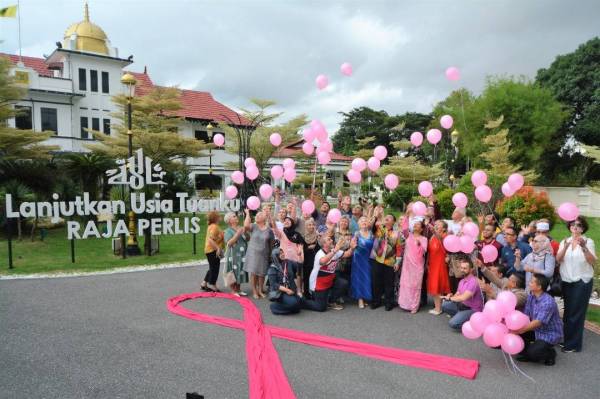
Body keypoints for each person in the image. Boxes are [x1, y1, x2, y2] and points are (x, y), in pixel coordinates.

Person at [556, 216, 597, 353]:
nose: (575, 227)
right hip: (567, 281)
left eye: (579, 225)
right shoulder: (565, 241)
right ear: (569, 227)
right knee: (568, 313)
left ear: (583, 228)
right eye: (573, 224)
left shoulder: (588, 241)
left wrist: (584, 247)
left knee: (577, 314)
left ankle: (574, 345)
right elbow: (559, 259)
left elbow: (592, 261)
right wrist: (566, 247)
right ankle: (568, 341)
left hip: (582, 281)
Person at [512, 274, 563, 366]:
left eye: (532, 282)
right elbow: (526, 316)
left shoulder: (548, 302)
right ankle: (529, 352)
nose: (529, 283)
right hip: (536, 330)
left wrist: (519, 330)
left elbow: (538, 322)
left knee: (533, 353)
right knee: (520, 344)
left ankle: (550, 354)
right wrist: (514, 326)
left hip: (549, 333)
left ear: (539, 287)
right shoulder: (531, 297)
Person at [304, 234, 356, 311]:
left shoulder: (334, 251)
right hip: (317, 284)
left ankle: (331, 301)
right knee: (320, 307)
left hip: (329, 280)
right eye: (329, 240)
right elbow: (323, 261)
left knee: (343, 283)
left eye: (331, 239)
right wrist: (335, 251)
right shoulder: (320, 253)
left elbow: (347, 254)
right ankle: (301, 302)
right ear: (324, 244)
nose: (332, 240)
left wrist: (352, 248)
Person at [370, 209, 404, 311]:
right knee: (376, 282)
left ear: (393, 222)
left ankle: (389, 302)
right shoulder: (379, 228)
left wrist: (397, 263)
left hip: (390, 261)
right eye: (386, 218)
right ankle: (376, 301)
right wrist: (376, 216)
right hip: (377, 259)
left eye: (389, 218)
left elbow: (399, 249)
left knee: (389, 283)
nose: (386, 219)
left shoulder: (397, 234)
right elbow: (371, 227)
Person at [441, 257, 484, 330]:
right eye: (461, 268)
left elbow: (463, 297)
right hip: (463, 306)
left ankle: (472, 322)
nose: (462, 270)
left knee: (453, 323)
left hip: (473, 310)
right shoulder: (462, 281)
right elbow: (457, 295)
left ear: (471, 269)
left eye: (465, 268)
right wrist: (450, 297)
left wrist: (450, 298)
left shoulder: (473, 281)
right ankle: (462, 316)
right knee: (445, 305)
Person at [243, 208, 274, 299]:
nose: (257, 216)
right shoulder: (253, 226)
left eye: (259, 215)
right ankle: (254, 291)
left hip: (264, 253)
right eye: (256, 216)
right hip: (252, 253)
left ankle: (260, 289)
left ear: (264, 218)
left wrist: (270, 254)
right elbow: (245, 226)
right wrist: (248, 213)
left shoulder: (269, 230)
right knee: (253, 273)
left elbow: (271, 243)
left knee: (262, 273)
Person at [398, 220, 428, 313]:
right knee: (405, 284)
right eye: (415, 224)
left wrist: (420, 244)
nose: (415, 225)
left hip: (417, 265)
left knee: (415, 286)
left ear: (422, 229)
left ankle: (414, 306)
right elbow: (404, 229)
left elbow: (425, 250)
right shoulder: (408, 235)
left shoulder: (424, 238)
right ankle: (404, 304)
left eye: (418, 225)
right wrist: (407, 216)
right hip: (407, 265)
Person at [272, 216, 305, 295]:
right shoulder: (281, 232)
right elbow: (274, 227)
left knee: (298, 275)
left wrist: (300, 252)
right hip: (286, 259)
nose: (286, 221)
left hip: (296, 258)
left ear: (292, 223)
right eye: (285, 220)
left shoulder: (297, 234)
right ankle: (288, 289)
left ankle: (299, 290)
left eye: (289, 220)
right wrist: (271, 217)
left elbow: (301, 245)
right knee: (288, 274)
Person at [267, 248, 302, 315]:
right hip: (280, 292)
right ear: (275, 256)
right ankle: (274, 307)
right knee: (294, 304)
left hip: (291, 289)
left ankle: (290, 307)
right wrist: (287, 290)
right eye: (280, 254)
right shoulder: (272, 268)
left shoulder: (288, 262)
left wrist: (299, 255)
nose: (282, 254)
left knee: (298, 305)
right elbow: (274, 284)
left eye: (282, 252)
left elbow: (299, 266)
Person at [427, 220, 451, 315]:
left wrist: (434, 231)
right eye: (436, 224)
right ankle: (438, 307)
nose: (436, 225)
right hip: (433, 264)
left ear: (444, 229)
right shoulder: (433, 236)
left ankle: (438, 309)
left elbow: (442, 241)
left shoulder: (445, 236)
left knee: (438, 286)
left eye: (439, 225)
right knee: (435, 286)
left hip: (440, 265)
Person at [223, 212, 249, 296]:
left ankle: (238, 289)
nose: (236, 217)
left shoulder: (241, 228)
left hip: (242, 255)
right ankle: (233, 290)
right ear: (229, 221)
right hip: (232, 255)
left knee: (240, 270)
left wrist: (245, 232)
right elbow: (229, 243)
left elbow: (248, 238)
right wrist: (238, 233)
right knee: (232, 271)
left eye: (235, 216)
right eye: (234, 216)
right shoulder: (228, 231)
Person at [351, 216, 375, 309]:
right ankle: (360, 299)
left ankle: (365, 297)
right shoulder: (356, 234)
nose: (364, 222)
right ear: (359, 224)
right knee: (359, 278)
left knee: (367, 278)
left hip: (369, 259)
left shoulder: (371, 234)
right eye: (362, 221)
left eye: (365, 220)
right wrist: (352, 246)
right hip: (358, 259)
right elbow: (352, 246)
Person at [201, 211, 224, 293]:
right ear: (216, 218)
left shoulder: (212, 226)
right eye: (218, 216)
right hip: (212, 250)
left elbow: (216, 237)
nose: (220, 216)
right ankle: (212, 284)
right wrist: (217, 248)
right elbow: (210, 240)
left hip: (209, 250)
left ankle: (204, 283)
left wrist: (222, 234)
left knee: (212, 267)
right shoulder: (214, 227)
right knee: (215, 268)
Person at [301, 218, 320, 297]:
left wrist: (318, 242)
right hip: (306, 261)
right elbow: (300, 250)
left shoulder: (318, 236)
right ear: (306, 226)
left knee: (315, 278)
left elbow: (320, 249)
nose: (311, 226)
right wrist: (308, 248)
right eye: (309, 225)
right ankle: (306, 293)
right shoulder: (302, 237)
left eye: (313, 225)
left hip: (316, 261)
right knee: (306, 277)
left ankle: (315, 293)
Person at [335, 216, 354, 288]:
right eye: (342, 221)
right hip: (336, 262)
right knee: (338, 281)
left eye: (346, 222)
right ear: (339, 222)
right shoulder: (334, 232)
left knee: (346, 281)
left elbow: (352, 247)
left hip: (347, 262)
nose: (344, 223)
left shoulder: (351, 234)